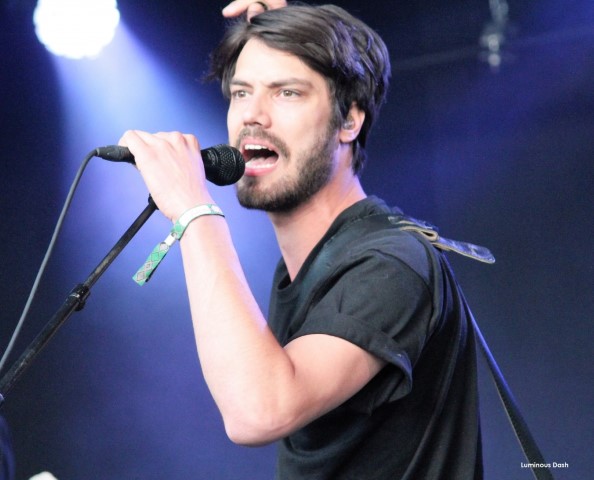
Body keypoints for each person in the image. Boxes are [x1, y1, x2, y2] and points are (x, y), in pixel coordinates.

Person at [119, 1, 483, 478]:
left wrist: (194, 211)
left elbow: (258, 411)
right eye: (242, 92)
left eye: (287, 93)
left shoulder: (390, 263)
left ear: (349, 121)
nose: (253, 116)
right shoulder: (305, 266)